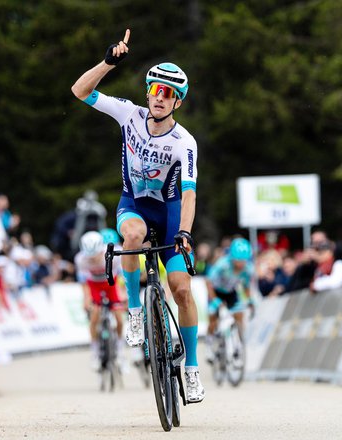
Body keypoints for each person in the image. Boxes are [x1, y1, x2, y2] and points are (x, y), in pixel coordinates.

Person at [71, 29, 204, 402]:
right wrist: (108, 63)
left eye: (169, 94)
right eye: (156, 90)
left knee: (181, 289)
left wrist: (185, 233)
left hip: (171, 213)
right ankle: (133, 310)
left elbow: (190, 194)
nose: (161, 98)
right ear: (148, 93)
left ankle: (192, 368)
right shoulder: (129, 114)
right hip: (134, 205)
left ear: (177, 103)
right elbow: (79, 92)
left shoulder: (184, 143)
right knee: (130, 237)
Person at [75, 230, 124, 371]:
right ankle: (95, 352)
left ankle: (120, 350)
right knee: (94, 318)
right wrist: (86, 300)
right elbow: (84, 283)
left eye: (95, 256)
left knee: (119, 319)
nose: (92, 259)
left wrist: (122, 294)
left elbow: (121, 277)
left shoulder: (114, 254)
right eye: (89, 256)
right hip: (94, 286)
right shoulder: (80, 259)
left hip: (111, 283)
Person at [205, 238, 255, 364]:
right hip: (215, 291)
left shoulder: (248, 269)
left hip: (231, 292)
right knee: (213, 318)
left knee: (239, 315)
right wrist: (215, 299)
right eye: (238, 260)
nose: (241, 263)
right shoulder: (222, 264)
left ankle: (238, 345)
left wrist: (249, 300)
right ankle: (209, 346)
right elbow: (208, 282)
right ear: (232, 258)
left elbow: (246, 286)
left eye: (244, 260)